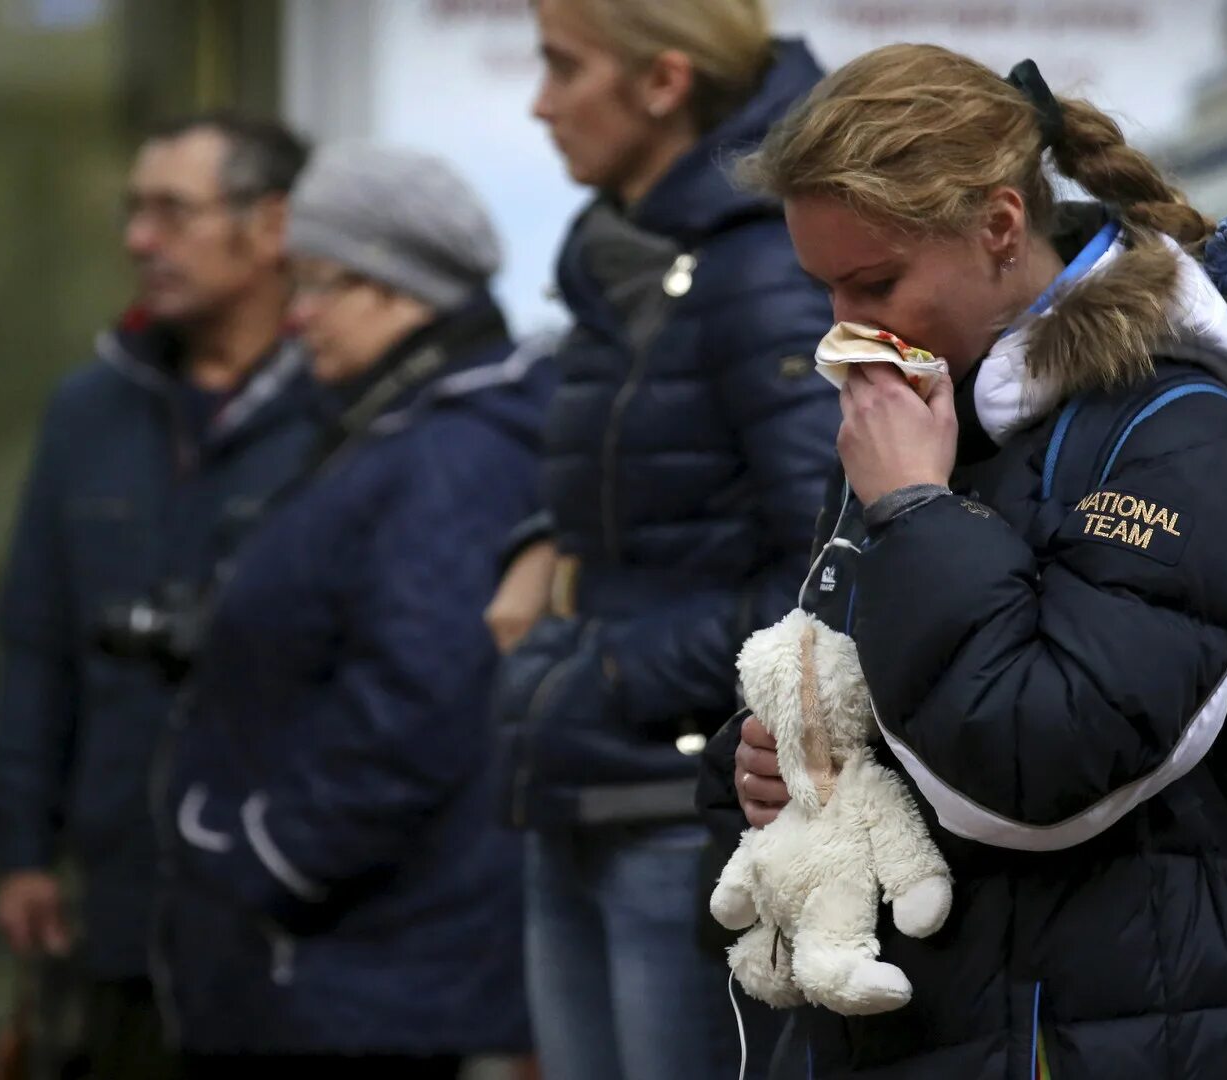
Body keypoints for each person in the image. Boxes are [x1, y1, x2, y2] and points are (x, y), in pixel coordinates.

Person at [701, 44, 1227, 1079]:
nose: (843, 327)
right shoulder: (928, 406)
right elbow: (869, 667)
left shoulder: (1179, 433)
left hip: (1101, 1031)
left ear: (998, 226)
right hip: (921, 1022)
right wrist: (767, 759)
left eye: (875, 282)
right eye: (824, 289)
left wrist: (913, 509)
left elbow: (1044, 759)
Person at [482, 1, 838, 1076]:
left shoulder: (762, 265)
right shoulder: (631, 252)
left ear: (661, 82)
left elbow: (826, 565)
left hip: (686, 806)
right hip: (587, 769)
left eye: (562, 68)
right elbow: (660, 478)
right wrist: (547, 543)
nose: (540, 104)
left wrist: (614, 667)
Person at [154, 144, 550, 1078]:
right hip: (352, 966)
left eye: (318, 285)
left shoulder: (451, 454)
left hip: (365, 976)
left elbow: (423, 697)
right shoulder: (396, 426)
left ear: (395, 288)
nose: (296, 316)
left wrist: (274, 858)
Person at [0, 111, 314, 1080]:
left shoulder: (344, 409)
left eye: (171, 212)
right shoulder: (90, 408)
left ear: (270, 226)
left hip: (296, 898)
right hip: (120, 886)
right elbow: (37, 638)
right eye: (134, 212)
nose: (137, 240)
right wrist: (23, 845)